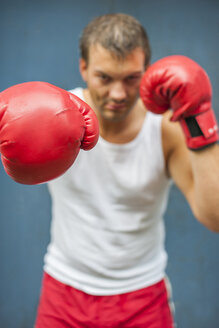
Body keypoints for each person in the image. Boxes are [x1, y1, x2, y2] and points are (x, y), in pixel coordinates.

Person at [1, 13, 219, 328]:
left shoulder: (165, 128)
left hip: (142, 297)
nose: (118, 94)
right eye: (105, 77)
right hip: (64, 290)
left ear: (147, 72)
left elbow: (214, 216)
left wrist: (200, 121)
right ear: (84, 68)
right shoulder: (55, 113)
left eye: (131, 78)